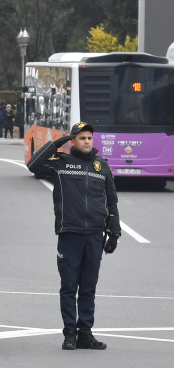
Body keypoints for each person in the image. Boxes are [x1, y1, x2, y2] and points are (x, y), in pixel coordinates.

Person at [27, 122, 121, 351]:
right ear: (73, 141)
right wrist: (57, 143)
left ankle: (85, 333)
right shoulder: (61, 163)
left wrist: (114, 232)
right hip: (70, 234)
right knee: (69, 287)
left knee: (88, 287)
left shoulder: (102, 166)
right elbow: (33, 165)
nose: (87, 141)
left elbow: (112, 201)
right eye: (81, 138)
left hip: (95, 236)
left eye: (89, 137)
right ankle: (70, 333)